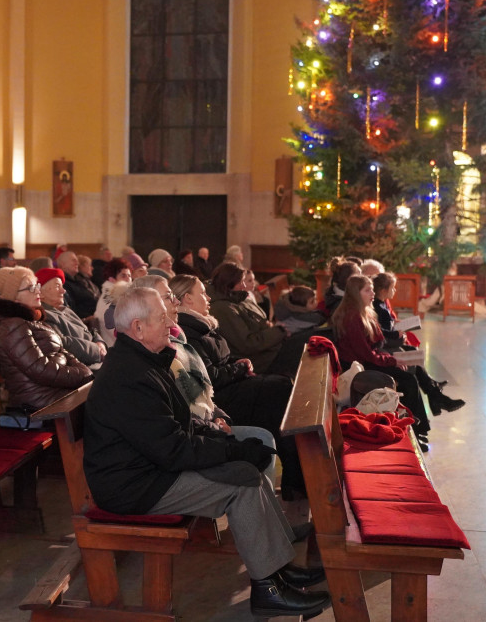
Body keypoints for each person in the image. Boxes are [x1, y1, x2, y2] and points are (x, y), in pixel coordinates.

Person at [82, 286, 330, 618]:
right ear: (138, 328)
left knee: (246, 469)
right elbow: (172, 449)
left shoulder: (147, 359)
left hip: (150, 469)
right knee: (241, 483)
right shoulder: (129, 377)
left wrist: (230, 445)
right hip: (134, 486)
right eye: (164, 317)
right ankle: (269, 589)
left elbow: (180, 424)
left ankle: (280, 572)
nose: (172, 323)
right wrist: (232, 453)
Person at [170, 274, 306, 500]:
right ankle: (294, 479)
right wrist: (239, 369)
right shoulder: (188, 329)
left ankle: (293, 479)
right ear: (187, 299)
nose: (208, 297)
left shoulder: (202, 324)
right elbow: (208, 377)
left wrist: (238, 362)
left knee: (279, 393)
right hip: (219, 398)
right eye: (202, 293)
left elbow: (222, 358)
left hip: (231, 387)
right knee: (279, 392)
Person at [330, 274, 434, 447]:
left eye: (372, 289)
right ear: (356, 293)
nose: (372, 293)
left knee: (409, 373)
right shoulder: (352, 317)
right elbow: (366, 354)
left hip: (368, 360)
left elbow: (376, 343)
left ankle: (417, 428)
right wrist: (392, 360)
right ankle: (415, 430)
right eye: (367, 290)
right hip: (360, 368)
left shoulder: (364, 311)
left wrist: (391, 356)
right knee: (408, 380)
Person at [0, 266, 92, 410]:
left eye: (37, 285)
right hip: (40, 404)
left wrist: (84, 372)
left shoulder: (32, 319)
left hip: (56, 394)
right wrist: (82, 374)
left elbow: (63, 351)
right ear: (14, 297)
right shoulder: (12, 327)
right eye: (31, 288)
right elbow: (41, 369)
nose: (38, 290)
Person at [373, 273, 464, 415]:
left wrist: (397, 328)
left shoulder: (382, 304)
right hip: (385, 348)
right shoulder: (377, 307)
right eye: (393, 288)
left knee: (412, 350)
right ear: (384, 290)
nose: (395, 291)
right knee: (412, 361)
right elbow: (380, 332)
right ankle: (435, 396)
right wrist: (397, 333)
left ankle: (434, 394)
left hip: (388, 344)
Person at [207, 263, 307, 377]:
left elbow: (261, 322)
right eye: (241, 282)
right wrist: (279, 331)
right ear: (228, 283)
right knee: (305, 348)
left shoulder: (237, 299)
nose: (244, 285)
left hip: (271, 348)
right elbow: (247, 344)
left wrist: (274, 329)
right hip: (260, 359)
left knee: (310, 340)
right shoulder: (222, 308)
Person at [36, 267, 106, 370]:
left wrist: (100, 342)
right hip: (82, 369)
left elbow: (88, 330)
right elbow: (63, 343)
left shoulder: (65, 309)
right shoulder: (45, 315)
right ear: (40, 293)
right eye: (57, 286)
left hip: (96, 361)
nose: (63, 291)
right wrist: (96, 350)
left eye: (62, 286)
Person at [94, 258, 133, 347]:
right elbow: (118, 331)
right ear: (112, 279)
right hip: (117, 346)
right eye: (123, 276)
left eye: (129, 276)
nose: (128, 279)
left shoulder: (119, 295)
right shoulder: (110, 299)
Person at [57, 251, 98, 319]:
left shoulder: (79, 279)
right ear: (63, 265)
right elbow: (71, 308)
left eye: (77, 260)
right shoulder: (63, 283)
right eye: (74, 260)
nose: (77, 263)